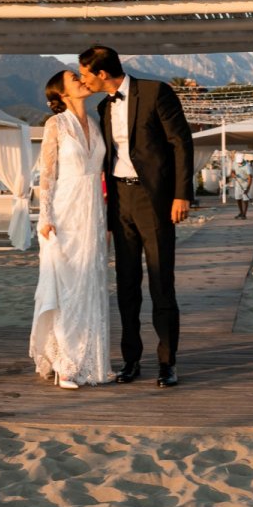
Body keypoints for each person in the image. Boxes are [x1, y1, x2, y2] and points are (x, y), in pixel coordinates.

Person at [78, 45, 194, 389]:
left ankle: (167, 362)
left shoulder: (156, 91)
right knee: (126, 286)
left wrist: (181, 193)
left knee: (161, 283)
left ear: (102, 73)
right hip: (119, 200)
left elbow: (180, 142)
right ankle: (131, 360)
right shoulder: (102, 106)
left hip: (155, 199)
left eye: (85, 73)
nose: (83, 80)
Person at [29, 70, 113, 390]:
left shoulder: (94, 123)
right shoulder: (56, 125)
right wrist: (45, 216)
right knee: (67, 285)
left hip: (93, 211)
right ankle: (65, 363)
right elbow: (47, 175)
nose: (81, 80)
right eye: (73, 78)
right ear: (62, 93)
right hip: (64, 211)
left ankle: (94, 362)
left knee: (91, 282)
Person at [230, 153, 253, 219]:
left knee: (245, 199)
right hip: (238, 183)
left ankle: (244, 214)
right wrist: (233, 174)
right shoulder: (235, 163)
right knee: (238, 198)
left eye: (240, 162)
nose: (239, 164)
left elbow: (250, 178)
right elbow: (232, 171)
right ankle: (241, 212)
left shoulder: (247, 166)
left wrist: (248, 189)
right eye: (238, 162)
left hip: (245, 184)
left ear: (242, 160)